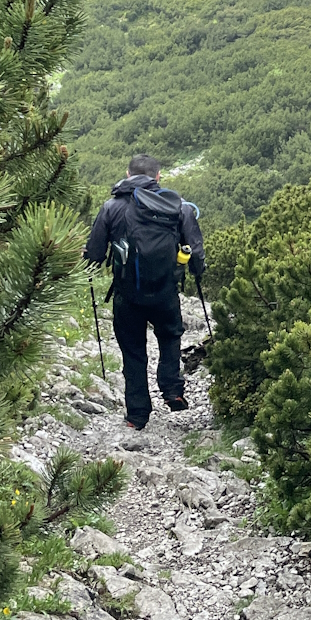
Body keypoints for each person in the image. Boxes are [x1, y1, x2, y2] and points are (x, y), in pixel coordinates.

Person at [83, 153, 206, 430]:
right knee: (170, 336)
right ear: (158, 177)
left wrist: (87, 266)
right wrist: (197, 272)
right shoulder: (179, 207)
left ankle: (137, 415)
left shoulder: (111, 207)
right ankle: (172, 389)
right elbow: (196, 251)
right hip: (165, 290)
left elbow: (94, 254)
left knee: (134, 351)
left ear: (128, 175)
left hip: (128, 294)